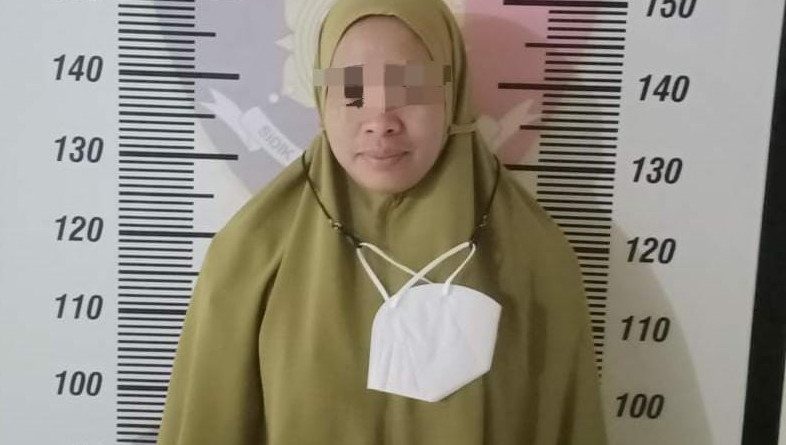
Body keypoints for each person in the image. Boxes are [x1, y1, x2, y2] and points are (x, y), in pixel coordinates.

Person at [157, 0, 608, 443]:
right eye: (351, 90)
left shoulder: (535, 260)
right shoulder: (252, 258)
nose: (380, 121)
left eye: (411, 88)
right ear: (322, 98)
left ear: (452, 93)